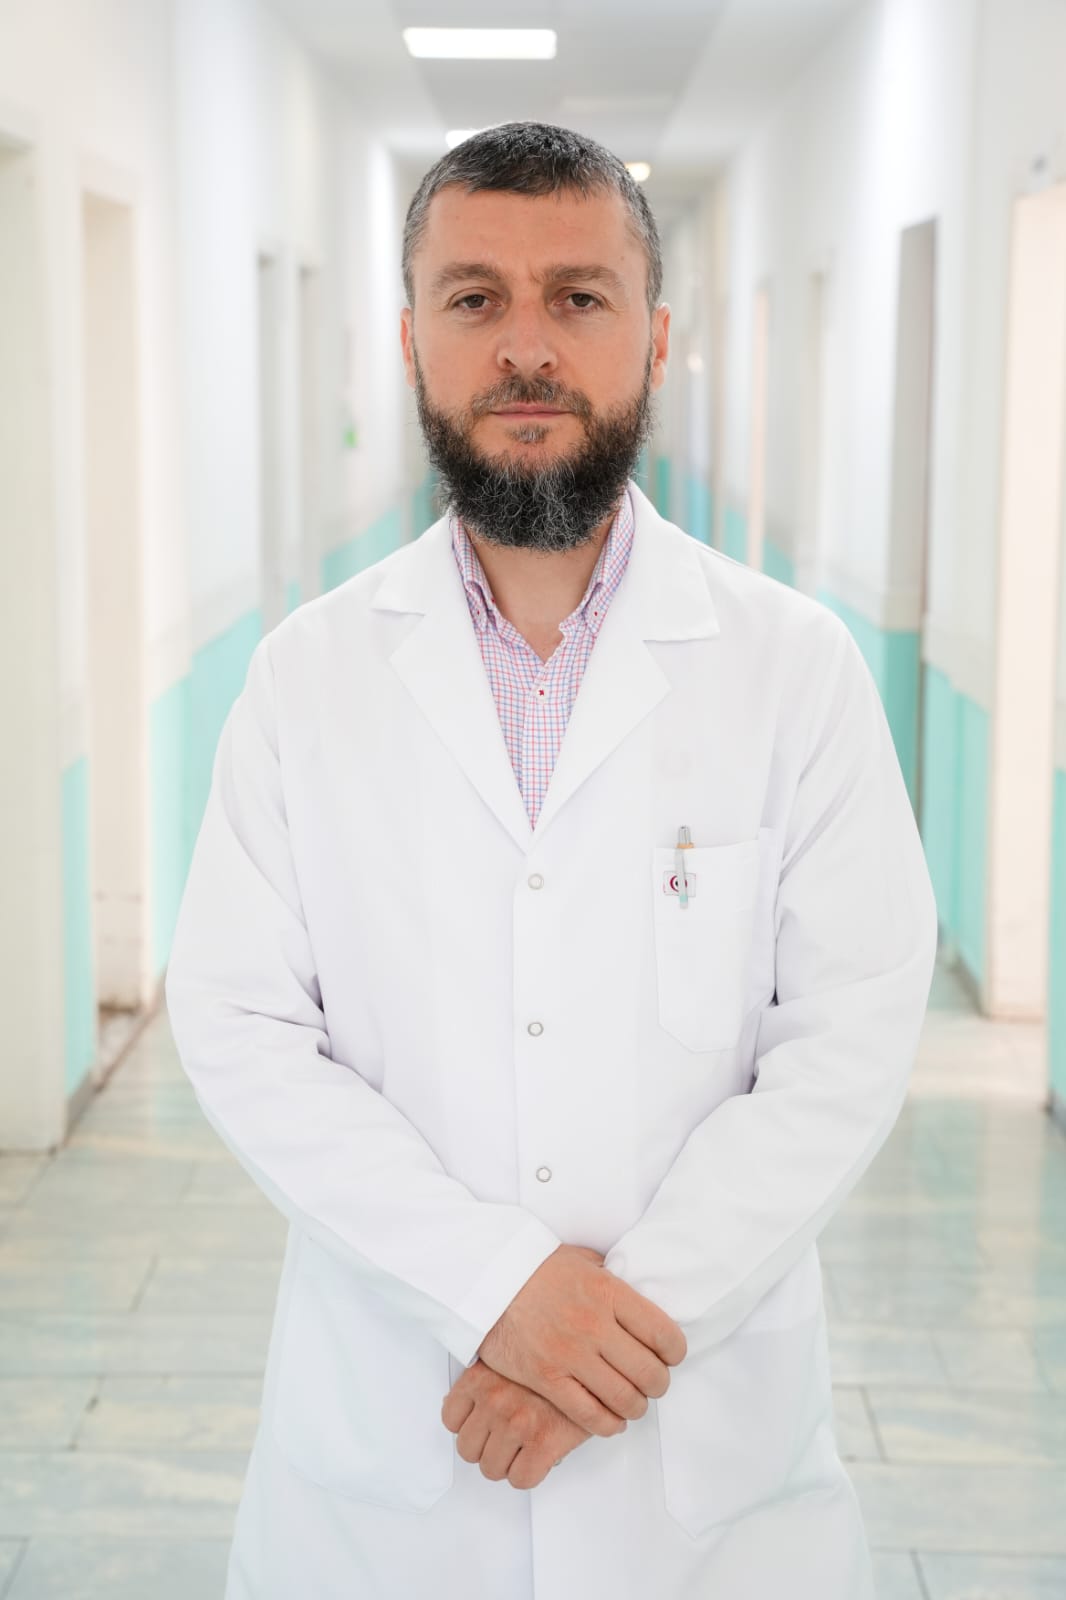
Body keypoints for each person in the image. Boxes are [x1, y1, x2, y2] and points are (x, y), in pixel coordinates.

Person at [165, 121, 939, 1600]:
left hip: (705, 1476)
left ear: (656, 336)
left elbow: (848, 1039)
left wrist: (609, 1329)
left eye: (578, 296)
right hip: (391, 1464)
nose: (527, 345)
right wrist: (494, 1290)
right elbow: (242, 1028)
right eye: (475, 299)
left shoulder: (793, 670)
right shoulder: (305, 681)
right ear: (412, 341)